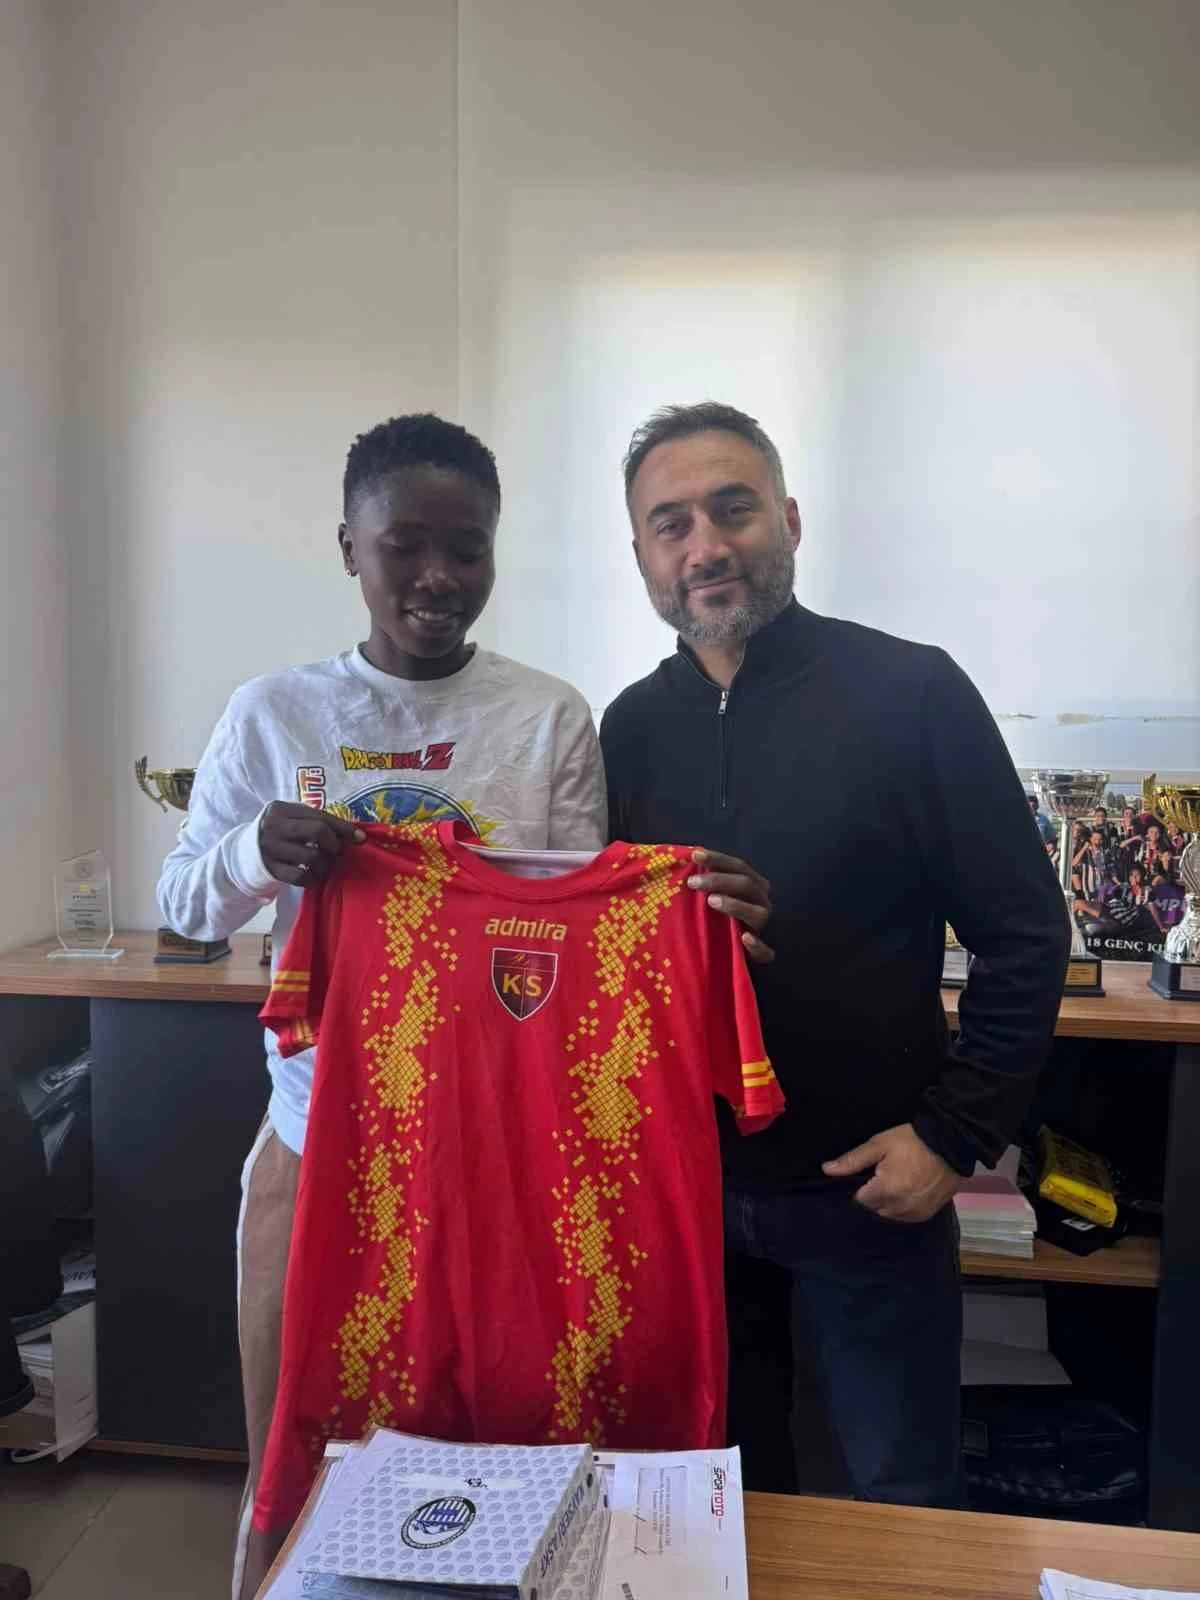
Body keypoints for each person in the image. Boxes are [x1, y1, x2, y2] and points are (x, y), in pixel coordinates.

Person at [601, 401, 1070, 1508]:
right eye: (671, 524)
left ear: (792, 520)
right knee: (714, 1503)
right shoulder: (623, 730)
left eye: (733, 509)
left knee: (904, 1499)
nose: (705, 546)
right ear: (642, 555)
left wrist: (953, 1136)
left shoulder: (912, 694)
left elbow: (1025, 932)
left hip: (872, 1192)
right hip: (689, 1195)